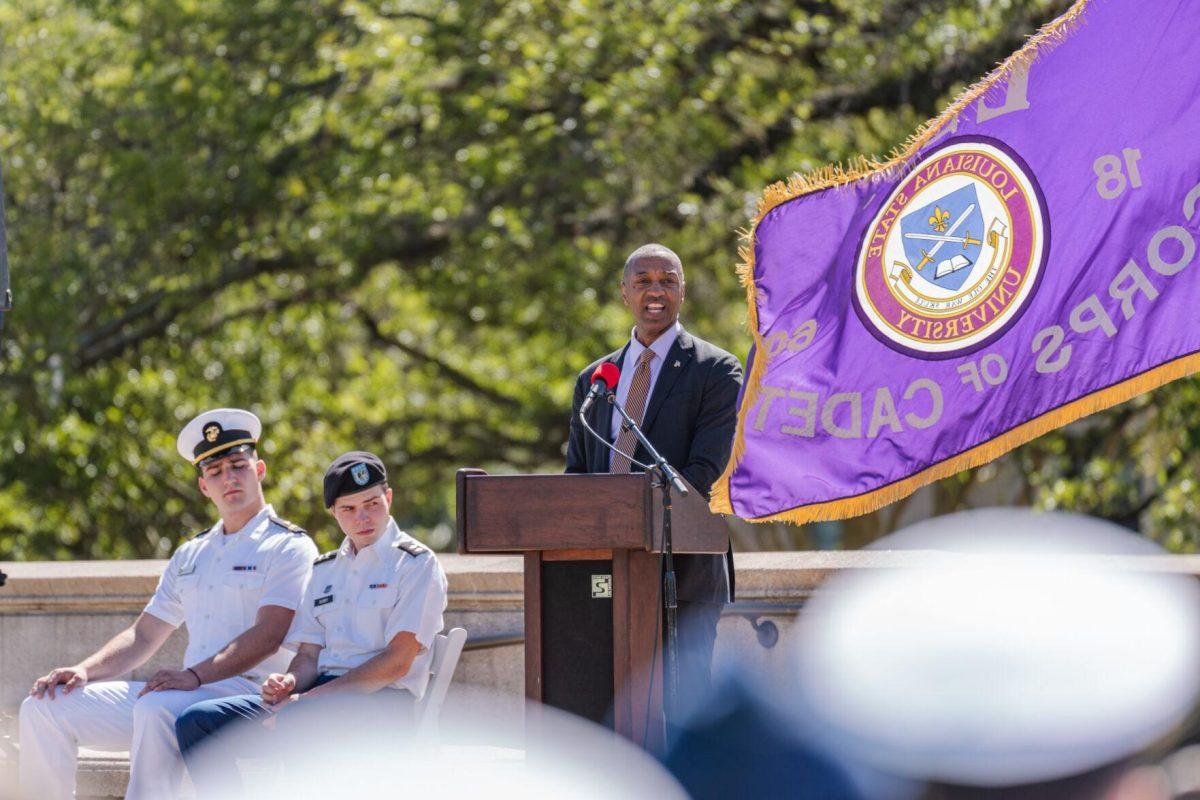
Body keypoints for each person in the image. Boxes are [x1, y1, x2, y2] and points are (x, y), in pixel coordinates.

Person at [18, 408, 316, 800]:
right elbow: (144, 635)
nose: (228, 478)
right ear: (203, 486)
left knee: (156, 708)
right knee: (44, 706)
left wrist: (192, 676)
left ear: (259, 470)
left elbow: (268, 635)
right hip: (184, 692)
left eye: (238, 466)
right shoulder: (192, 553)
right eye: (215, 472)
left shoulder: (289, 546)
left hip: (244, 696)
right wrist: (83, 670)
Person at [174, 450, 448, 797]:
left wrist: (310, 700)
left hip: (382, 703)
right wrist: (289, 682)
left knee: (295, 721)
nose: (363, 517)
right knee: (196, 721)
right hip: (316, 700)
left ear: (388, 498)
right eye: (348, 508)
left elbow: (398, 662)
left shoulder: (416, 564)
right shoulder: (324, 570)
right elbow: (308, 655)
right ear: (333, 513)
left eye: (372, 503)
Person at [565, 243, 743, 710]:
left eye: (667, 280)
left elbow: (704, 472)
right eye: (642, 281)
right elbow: (579, 477)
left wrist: (640, 512)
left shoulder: (716, 370)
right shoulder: (595, 380)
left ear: (683, 291)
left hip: (684, 574)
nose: (655, 290)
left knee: (685, 713)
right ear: (624, 293)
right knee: (613, 708)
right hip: (608, 573)